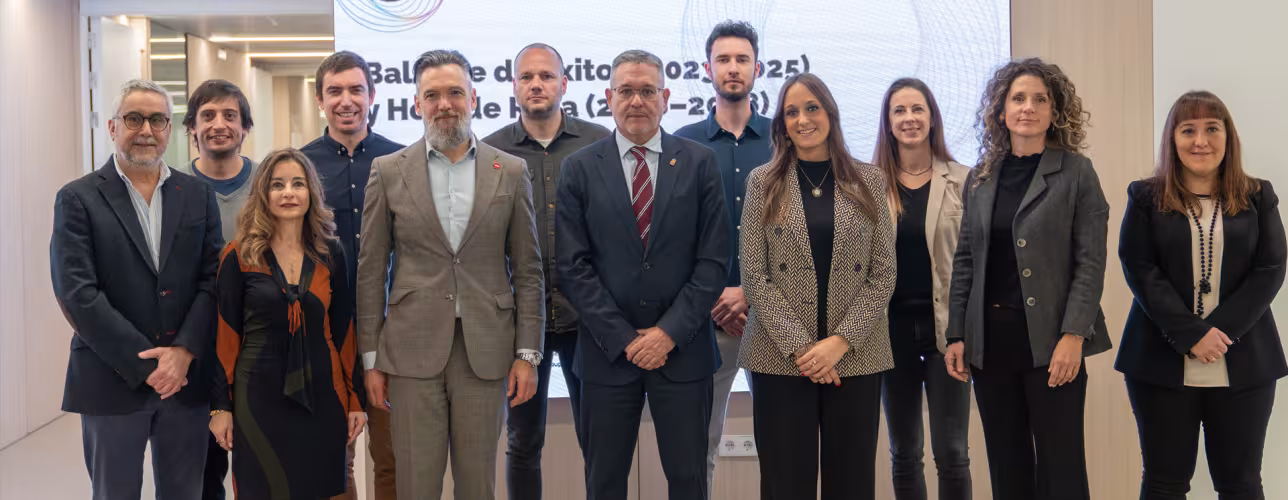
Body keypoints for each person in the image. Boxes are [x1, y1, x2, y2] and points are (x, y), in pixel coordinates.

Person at [357, 49, 544, 499]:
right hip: (409, 353)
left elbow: (528, 270)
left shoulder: (510, 171)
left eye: (455, 93)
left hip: (487, 351)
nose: (445, 104)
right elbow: (371, 271)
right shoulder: (388, 171)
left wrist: (528, 354)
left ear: (473, 99)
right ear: (417, 104)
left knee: (477, 486)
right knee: (416, 486)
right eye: (433, 95)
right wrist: (370, 359)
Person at [557, 49, 730, 500]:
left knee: (689, 481)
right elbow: (572, 266)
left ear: (665, 98)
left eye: (648, 91)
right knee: (604, 483)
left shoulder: (700, 162)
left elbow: (713, 261)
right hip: (607, 355)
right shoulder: (579, 167)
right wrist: (625, 339)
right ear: (608, 97)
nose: (637, 101)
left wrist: (667, 334)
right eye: (626, 91)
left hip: (684, 353)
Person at [943, 57, 1111, 500]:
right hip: (990, 345)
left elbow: (1090, 262)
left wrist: (1074, 335)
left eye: (1040, 99)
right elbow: (965, 261)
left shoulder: (1076, 173)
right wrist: (957, 333)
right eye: (1018, 99)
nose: (1028, 108)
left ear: (1055, 112)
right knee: (1007, 467)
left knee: (1061, 470)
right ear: (1001, 112)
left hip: (1052, 344)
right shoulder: (980, 177)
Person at [50, 79, 222, 500]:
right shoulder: (78, 198)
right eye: (134, 119)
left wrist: (183, 353)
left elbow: (212, 280)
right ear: (112, 127)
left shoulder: (198, 194)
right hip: (111, 380)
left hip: (185, 382)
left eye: (157, 120)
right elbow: (77, 294)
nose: (146, 130)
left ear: (169, 129)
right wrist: (148, 366)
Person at [1116, 90, 1287, 499]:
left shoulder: (1258, 195)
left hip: (1244, 361)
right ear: (1172, 139)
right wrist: (1192, 333)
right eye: (1188, 130)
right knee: (1164, 482)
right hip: (1159, 361)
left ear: (1228, 137)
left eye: (1212, 129)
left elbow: (1270, 268)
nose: (1200, 141)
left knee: (1241, 483)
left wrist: (1219, 333)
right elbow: (1139, 267)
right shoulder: (1145, 197)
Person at [739, 72, 895, 500]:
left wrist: (838, 344)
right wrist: (805, 351)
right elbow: (754, 276)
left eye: (812, 108)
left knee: (852, 483)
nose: (803, 119)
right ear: (782, 124)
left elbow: (883, 273)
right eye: (792, 112)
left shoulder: (870, 180)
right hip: (779, 358)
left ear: (830, 113)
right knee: (785, 484)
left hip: (856, 356)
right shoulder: (762, 182)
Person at [482, 42, 610, 500]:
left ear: (564, 84)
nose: (536, 84)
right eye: (527, 77)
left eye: (546, 76)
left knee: (599, 441)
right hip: (520, 323)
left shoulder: (600, 142)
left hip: (587, 318)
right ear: (513, 85)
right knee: (522, 442)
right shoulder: (490, 151)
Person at [208, 148, 367, 499]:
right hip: (257, 397)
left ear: (312, 192)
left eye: (298, 183)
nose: (288, 193)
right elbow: (224, 337)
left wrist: (356, 400)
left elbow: (344, 331)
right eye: (277, 185)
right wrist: (221, 407)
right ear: (263, 194)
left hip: (323, 393)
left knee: (320, 488)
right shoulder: (239, 254)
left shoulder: (331, 253)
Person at [673, 22, 771, 496]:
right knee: (699, 446)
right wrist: (715, 296)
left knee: (781, 445)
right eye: (724, 60)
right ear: (707, 68)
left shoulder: (784, 140)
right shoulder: (683, 144)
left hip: (775, 320)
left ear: (758, 68)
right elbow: (672, 237)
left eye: (742, 59)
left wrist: (749, 293)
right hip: (705, 322)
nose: (733, 68)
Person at [300, 50, 403, 500]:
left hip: (391, 332)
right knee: (331, 460)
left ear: (372, 95)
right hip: (324, 332)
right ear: (320, 99)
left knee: (393, 458)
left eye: (356, 89)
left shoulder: (402, 160)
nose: (346, 100)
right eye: (335, 91)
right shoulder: (299, 167)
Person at [871, 77, 972, 500]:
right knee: (905, 453)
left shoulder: (965, 180)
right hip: (888, 333)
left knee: (953, 453)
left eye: (918, 109)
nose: (909, 118)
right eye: (899, 110)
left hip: (947, 333)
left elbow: (973, 263)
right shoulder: (868, 185)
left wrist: (964, 331)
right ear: (888, 122)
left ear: (932, 118)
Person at [174, 79, 256, 499]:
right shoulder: (172, 188)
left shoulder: (268, 185)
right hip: (198, 345)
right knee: (201, 472)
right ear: (192, 127)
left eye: (230, 116)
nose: (219, 124)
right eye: (207, 116)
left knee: (260, 466)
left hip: (257, 344)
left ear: (245, 127)